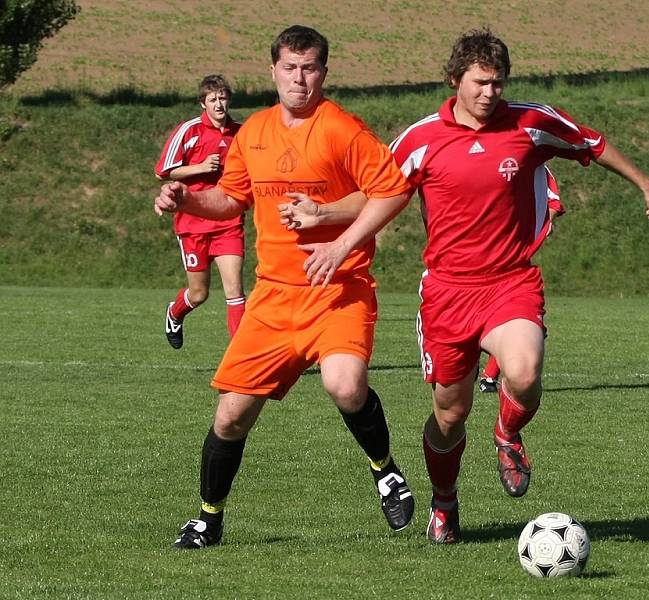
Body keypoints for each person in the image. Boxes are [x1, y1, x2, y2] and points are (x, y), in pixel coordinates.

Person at [388, 28, 649, 544]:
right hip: (448, 292)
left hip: (509, 280)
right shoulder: (419, 138)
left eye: (498, 83)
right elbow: (375, 194)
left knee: (523, 371)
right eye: (479, 82)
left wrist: (647, 185)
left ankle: (508, 432)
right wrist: (327, 223)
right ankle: (445, 502)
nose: (489, 93)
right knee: (449, 416)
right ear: (455, 80)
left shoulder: (530, 121)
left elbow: (593, 143)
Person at [154, 25, 415, 549]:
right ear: (273, 70)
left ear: (324, 71)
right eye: (290, 68)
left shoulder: (342, 129)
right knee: (230, 417)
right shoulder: (253, 133)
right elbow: (229, 201)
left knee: (343, 384)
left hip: (339, 288)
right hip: (274, 298)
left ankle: (385, 470)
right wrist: (185, 199)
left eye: (311, 67)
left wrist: (340, 245)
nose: (300, 78)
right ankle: (209, 517)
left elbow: (391, 191)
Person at [155, 74, 246, 349]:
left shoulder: (241, 133)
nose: (219, 104)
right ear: (202, 103)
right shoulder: (189, 130)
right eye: (213, 99)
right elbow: (163, 171)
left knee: (235, 292)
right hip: (192, 224)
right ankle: (175, 312)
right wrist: (201, 167)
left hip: (229, 220)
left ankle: (240, 357)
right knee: (199, 293)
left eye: (223, 98)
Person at [479, 165, 564, 394]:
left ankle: (490, 377)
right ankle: (486, 372)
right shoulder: (484, 160)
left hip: (515, 264)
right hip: (476, 262)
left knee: (520, 324)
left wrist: (540, 228)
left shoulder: (538, 166)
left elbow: (554, 203)